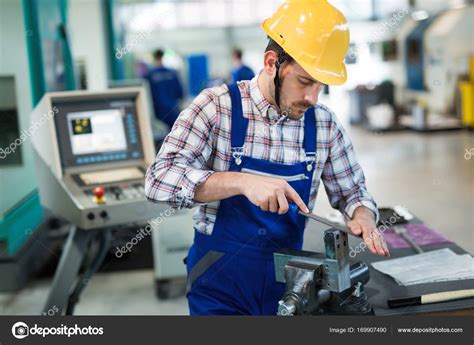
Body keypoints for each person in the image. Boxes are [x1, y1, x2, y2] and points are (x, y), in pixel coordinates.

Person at [145, 0, 389, 315]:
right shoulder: (216, 108)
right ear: (272, 62)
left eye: (320, 85)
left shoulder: (324, 124)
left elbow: (353, 192)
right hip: (220, 287)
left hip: (290, 288)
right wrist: (242, 182)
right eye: (304, 81)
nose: (312, 98)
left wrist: (363, 217)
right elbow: (157, 180)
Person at [145, 49, 184, 129]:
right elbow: (180, 93)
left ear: (154, 58)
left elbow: (147, 95)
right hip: (173, 110)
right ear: (162, 57)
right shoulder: (172, 73)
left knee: (162, 135)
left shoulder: (150, 75)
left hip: (159, 112)